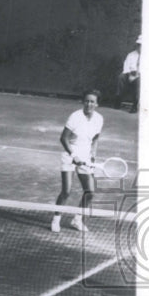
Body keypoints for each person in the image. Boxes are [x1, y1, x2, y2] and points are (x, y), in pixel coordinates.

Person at [52, 90, 104, 233]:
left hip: (86, 156)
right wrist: (74, 156)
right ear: (83, 102)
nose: (89, 104)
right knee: (66, 191)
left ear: (97, 103)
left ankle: (77, 219)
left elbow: (95, 138)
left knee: (90, 192)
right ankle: (56, 219)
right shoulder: (75, 117)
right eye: (86, 101)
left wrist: (93, 153)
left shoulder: (99, 119)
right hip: (70, 155)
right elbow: (64, 138)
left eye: (92, 101)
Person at [117, 36, 141, 111]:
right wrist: (130, 74)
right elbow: (126, 66)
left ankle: (135, 104)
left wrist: (137, 75)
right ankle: (118, 100)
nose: (140, 47)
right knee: (121, 77)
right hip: (130, 74)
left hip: (140, 76)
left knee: (139, 81)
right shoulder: (131, 55)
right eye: (139, 45)